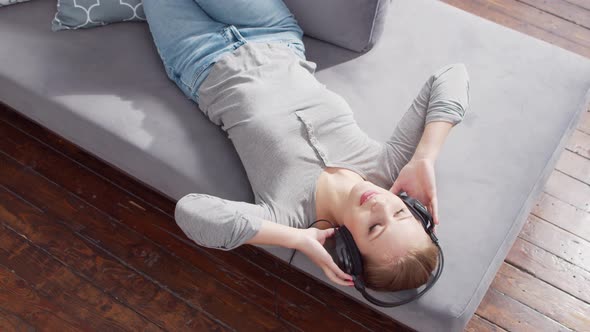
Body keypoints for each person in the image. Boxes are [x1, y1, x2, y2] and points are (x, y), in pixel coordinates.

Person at [143, 0, 470, 291]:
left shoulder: (290, 215)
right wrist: (425, 156)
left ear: (348, 248)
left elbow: (191, 212)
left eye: (374, 227)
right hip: (272, 32)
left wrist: (296, 238)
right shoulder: (391, 168)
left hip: (196, 57)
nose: (381, 207)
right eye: (400, 212)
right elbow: (451, 75)